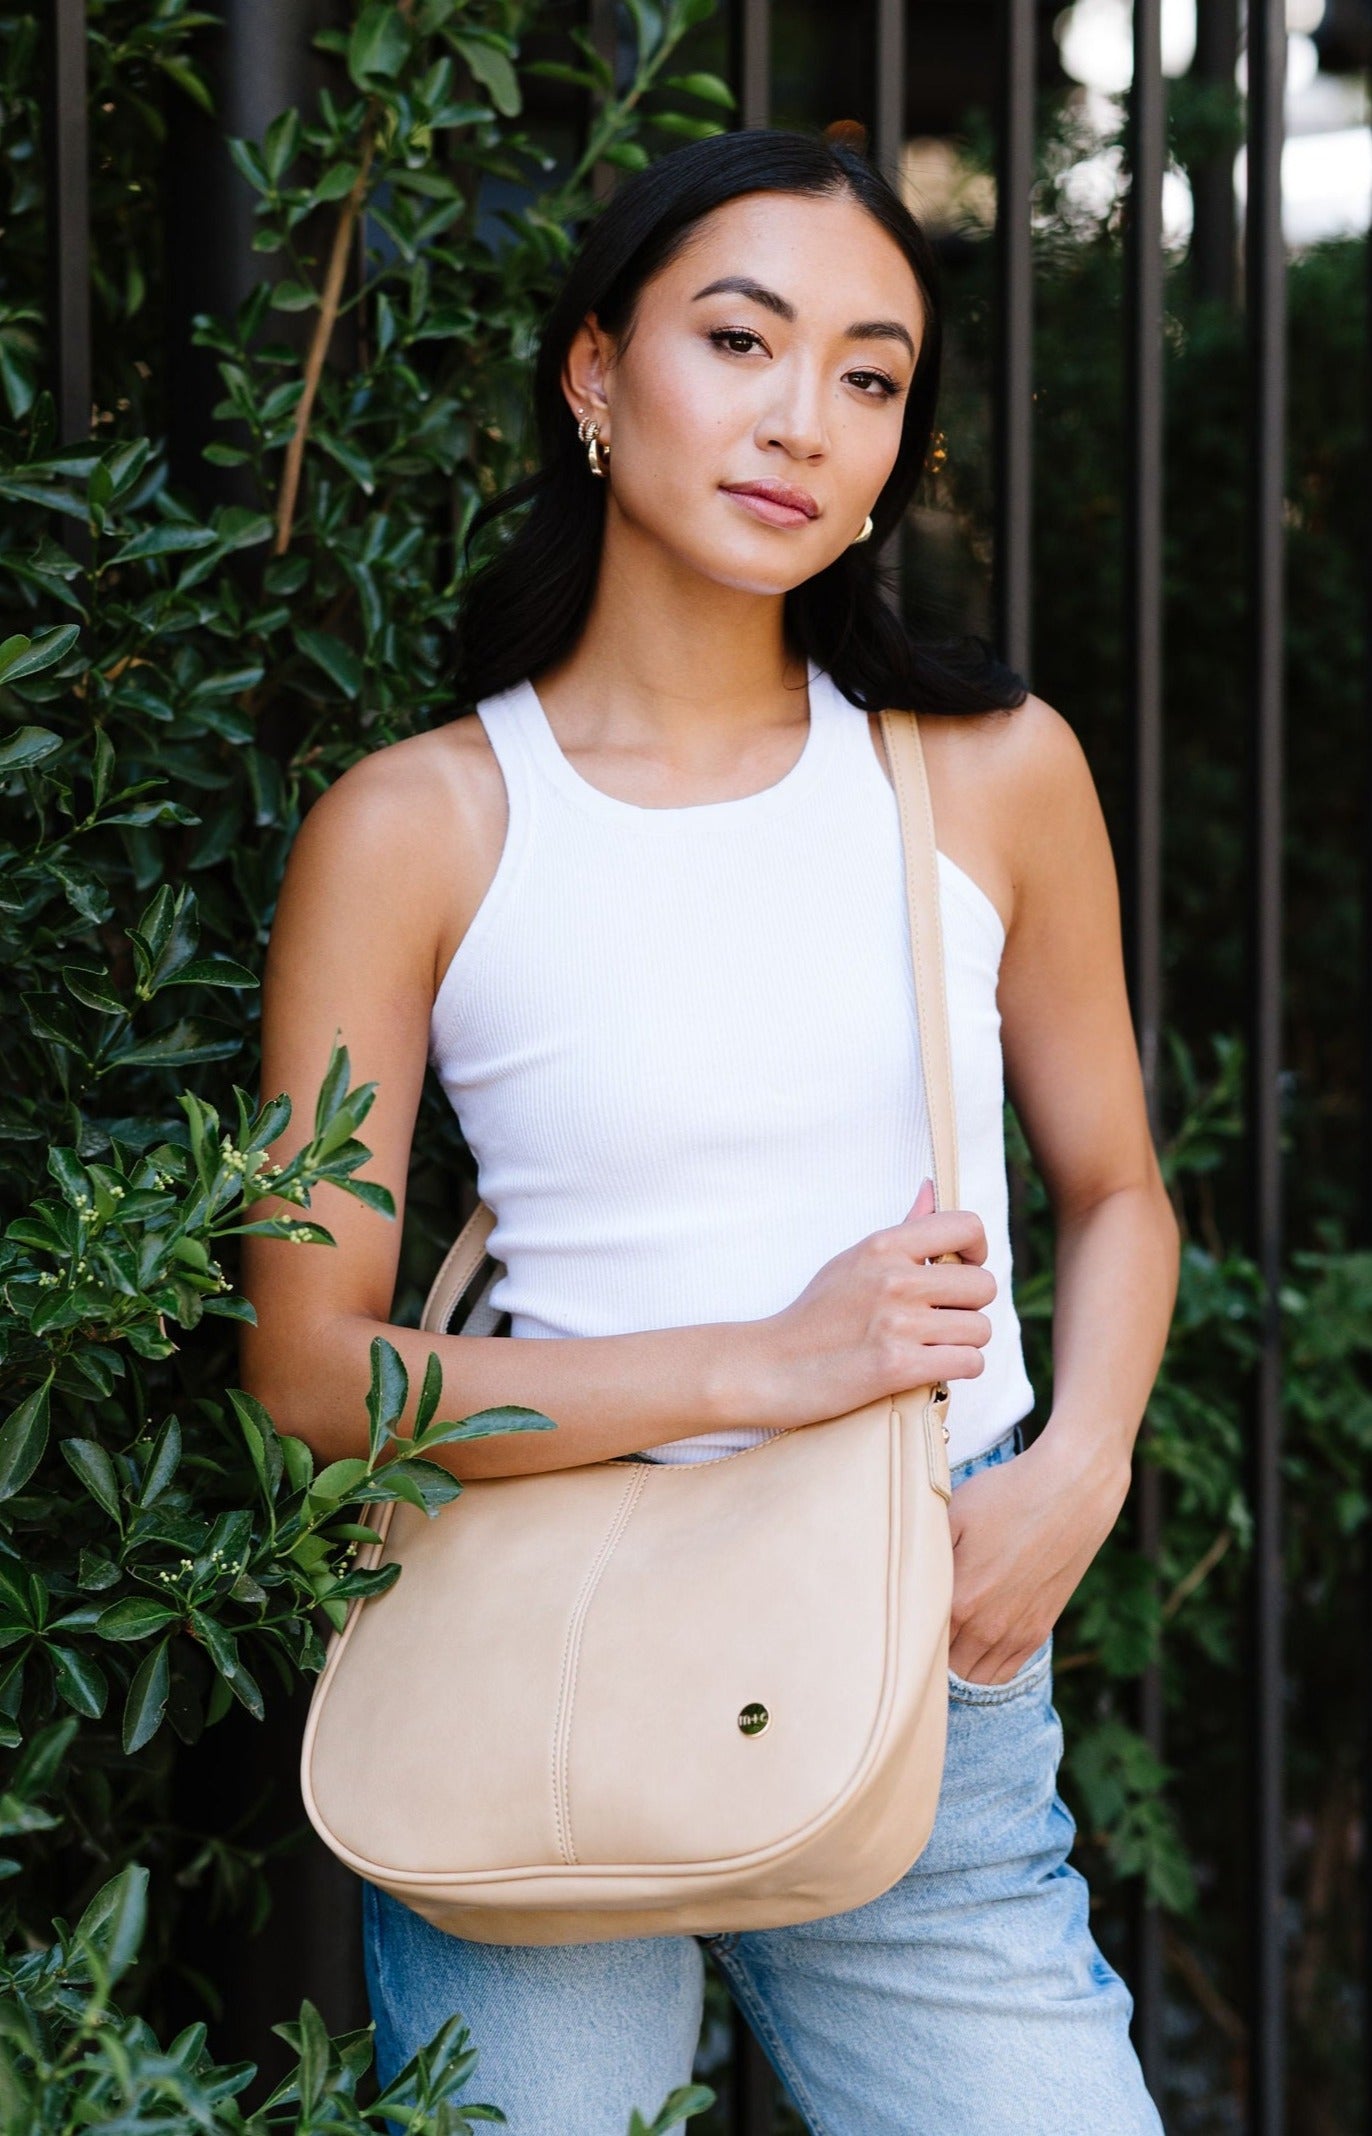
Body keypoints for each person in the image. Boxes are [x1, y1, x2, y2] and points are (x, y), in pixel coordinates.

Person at [241, 126, 1178, 2136]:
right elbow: (311, 1372)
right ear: (595, 372)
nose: (800, 420)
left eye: (866, 375)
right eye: (739, 341)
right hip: (534, 1656)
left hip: (925, 1619)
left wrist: (1077, 1469)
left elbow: (1116, 1189)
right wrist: (769, 1361)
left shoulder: (984, 772)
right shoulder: (415, 828)